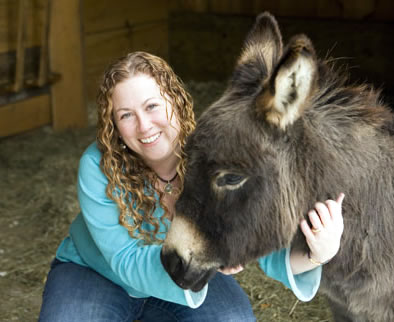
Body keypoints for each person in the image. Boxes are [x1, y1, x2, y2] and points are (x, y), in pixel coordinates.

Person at [38, 51, 344, 322]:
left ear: (176, 100)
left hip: (193, 274)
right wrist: (205, 255)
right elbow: (125, 262)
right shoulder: (96, 166)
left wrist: (317, 253)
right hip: (95, 273)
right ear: (113, 125)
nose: (144, 126)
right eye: (126, 115)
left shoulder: (215, 153)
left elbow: (263, 245)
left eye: (152, 106)